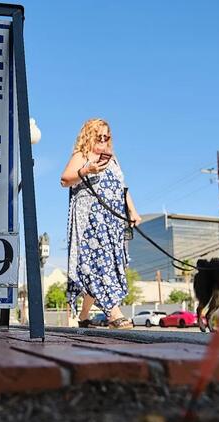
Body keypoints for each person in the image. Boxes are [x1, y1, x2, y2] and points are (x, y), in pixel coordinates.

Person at [60, 118, 141, 329]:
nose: (104, 140)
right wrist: (87, 170)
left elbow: (123, 187)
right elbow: (64, 180)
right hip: (90, 220)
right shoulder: (82, 156)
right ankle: (114, 314)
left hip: (112, 219)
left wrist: (132, 210)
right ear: (89, 136)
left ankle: (84, 316)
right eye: (99, 136)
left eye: (107, 136)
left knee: (106, 263)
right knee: (99, 262)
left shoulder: (112, 159)